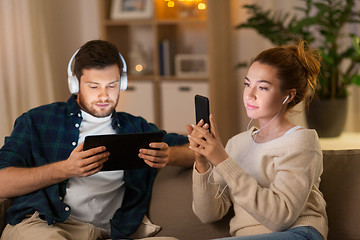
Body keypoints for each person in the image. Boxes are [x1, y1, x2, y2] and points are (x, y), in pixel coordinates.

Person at [0, 40, 194, 240]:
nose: (104, 95)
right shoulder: (37, 121)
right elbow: (2, 183)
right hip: (45, 225)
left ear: (123, 83)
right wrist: (65, 169)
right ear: (75, 84)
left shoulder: (134, 128)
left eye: (112, 85)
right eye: (93, 86)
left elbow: (196, 149)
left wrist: (169, 155)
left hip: (108, 233)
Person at [186, 40, 328, 240]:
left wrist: (222, 160)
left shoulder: (302, 141)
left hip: (297, 233)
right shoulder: (237, 143)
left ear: (288, 95)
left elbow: (280, 217)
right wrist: (201, 162)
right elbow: (208, 214)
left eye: (262, 88)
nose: (249, 95)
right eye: (247, 84)